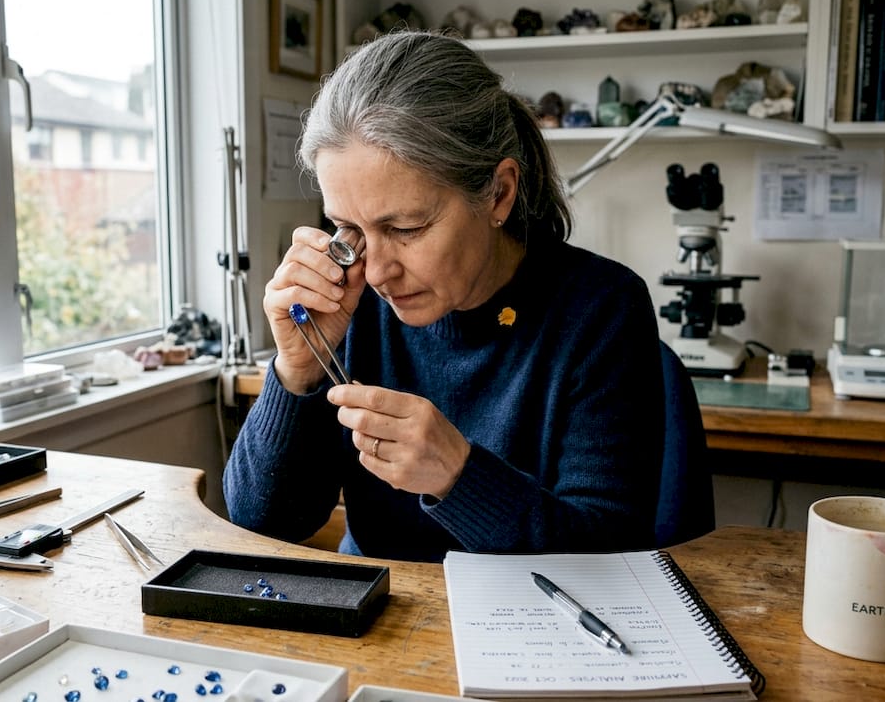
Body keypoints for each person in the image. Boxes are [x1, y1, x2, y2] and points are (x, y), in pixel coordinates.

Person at [224, 31, 663, 563]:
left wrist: (458, 476)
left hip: (536, 633)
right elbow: (264, 521)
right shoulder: (348, 299)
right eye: (348, 227)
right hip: (379, 621)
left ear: (499, 193)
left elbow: (613, 555)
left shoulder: (602, 310)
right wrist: (296, 372)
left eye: (406, 227)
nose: (378, 271)